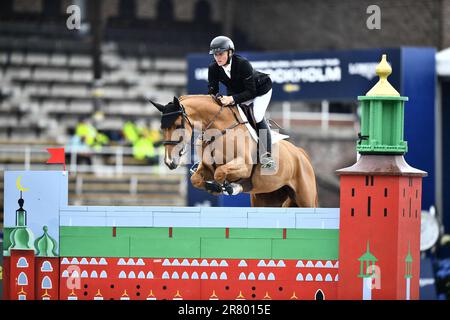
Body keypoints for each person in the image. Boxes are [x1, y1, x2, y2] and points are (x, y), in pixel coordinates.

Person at [207, 35, 275, 169]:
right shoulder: (213, 68)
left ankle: (267, 158)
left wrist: (231, 99)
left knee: (257, 115)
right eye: (215, 55)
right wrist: (218, 96)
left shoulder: (242, 64)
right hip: (238, 93)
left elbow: (251, 93)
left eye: (220, 54)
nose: (218, 57)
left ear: (230, 52)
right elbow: (212, 91)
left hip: (260, 90)